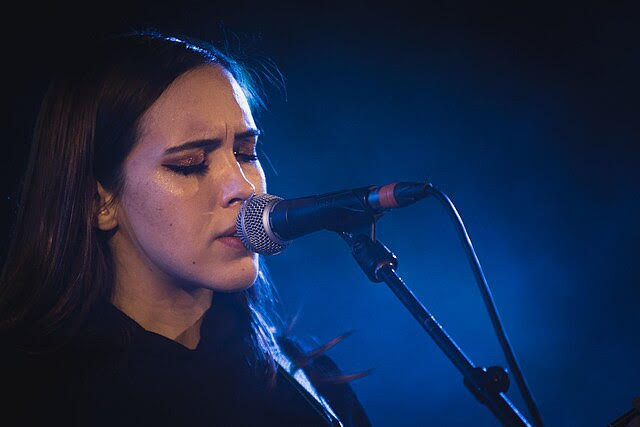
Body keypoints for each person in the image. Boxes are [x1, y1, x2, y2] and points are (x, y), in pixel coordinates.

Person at [0, 31, 370, 426]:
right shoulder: (29, 394)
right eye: (190, 163)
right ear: (99, 201)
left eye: (245, 154)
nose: (243, 188)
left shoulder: (307, 380)